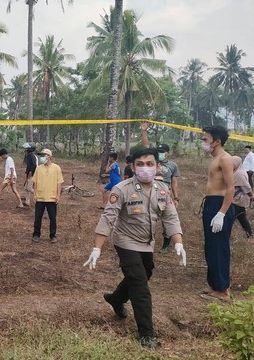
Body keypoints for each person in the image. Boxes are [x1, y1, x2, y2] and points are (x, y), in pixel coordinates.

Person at [84, 147, 186, 349]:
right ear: (132, 166)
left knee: (145, 272)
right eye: (140, 164)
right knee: (140, 285)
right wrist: (97, 248)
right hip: (125, 241)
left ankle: (116, 298)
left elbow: (170, 217)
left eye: (150, 164)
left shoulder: (162, 190)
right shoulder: (122, 189)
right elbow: (108, 218)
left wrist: (178, 242)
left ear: (158, 167)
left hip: (147, 243)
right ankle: (146, 334)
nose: (145, 168)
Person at [199, 125, 234, 303]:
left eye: (205, 139)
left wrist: (221, 213)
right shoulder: (214, 159)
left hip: (220, 205)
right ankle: (215, 284)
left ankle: (223, 290)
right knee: (211, 247)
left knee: (219, 248)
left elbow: (231, 188)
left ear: (217, 141)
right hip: (211, 203)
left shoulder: (225, 159)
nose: (203, 143)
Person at [140, 122, 181, 253]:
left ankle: (166, 244)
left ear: (168, 153)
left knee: (166, 220)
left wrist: (176, 197)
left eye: (162, 152)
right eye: (159, 152)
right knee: (146, 216)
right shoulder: (153, 162)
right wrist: (144, 131)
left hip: (165, 193)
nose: (160, 154)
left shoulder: (173, 166)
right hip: (150, 191)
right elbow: (146, 145)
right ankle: (144, 240)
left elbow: (174, 182)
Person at [31, 148, 63, 243]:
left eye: (44, 155)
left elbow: (59, 183)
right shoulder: (38, 168)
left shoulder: (56, 168)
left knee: (52, 218)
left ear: (49, 156)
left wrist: (58, 195)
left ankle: (52, 235)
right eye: (41, 155)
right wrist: (35, 194)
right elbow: (35, 182)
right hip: (40, 197)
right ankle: (36, 234)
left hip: (51, 197)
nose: (42, 157)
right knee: (38, 217)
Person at [231, 156, 253, 238]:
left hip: (238, 200)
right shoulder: (238, 171)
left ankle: (249, 234)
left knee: (232, 218)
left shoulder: (238, 173)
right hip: (238, 199)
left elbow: (246, 187)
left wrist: (251, 195)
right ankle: (249, 234)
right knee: (241, 218)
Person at [22, 142, 38, 207]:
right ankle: (27, 202)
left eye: (27, 148)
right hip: (30, 174)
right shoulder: (30, 156)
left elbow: (34, 165)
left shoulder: (32, 156)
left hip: (32, 174)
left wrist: (31, 172)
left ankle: (39, 196)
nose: (26, 150)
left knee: (29, 188)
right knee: (26, 188)